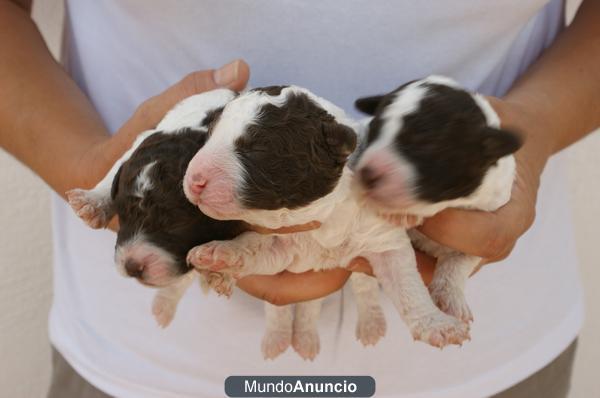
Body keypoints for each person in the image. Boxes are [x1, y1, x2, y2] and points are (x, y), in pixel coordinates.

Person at [0, 0, 598, 397]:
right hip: (140, 368)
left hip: (493, 364)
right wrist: (95, 173)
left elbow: (388, 253)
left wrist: (535, 130)